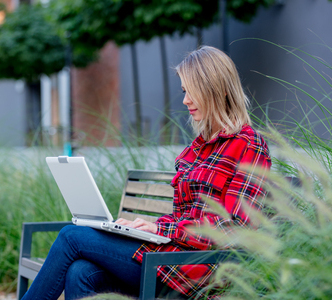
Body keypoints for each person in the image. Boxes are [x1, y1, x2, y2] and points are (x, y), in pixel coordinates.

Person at [21, 46, 272, 300]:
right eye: (185, 92)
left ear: (215, 89)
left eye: (192, 92)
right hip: (170, 259)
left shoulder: (250, 145)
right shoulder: (195, 150)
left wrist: (162, 230)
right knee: (79, 272)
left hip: (199, 270)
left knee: (71, 236)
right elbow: (183, 218)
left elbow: (232, 229)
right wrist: (144, 226)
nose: (185, 100)